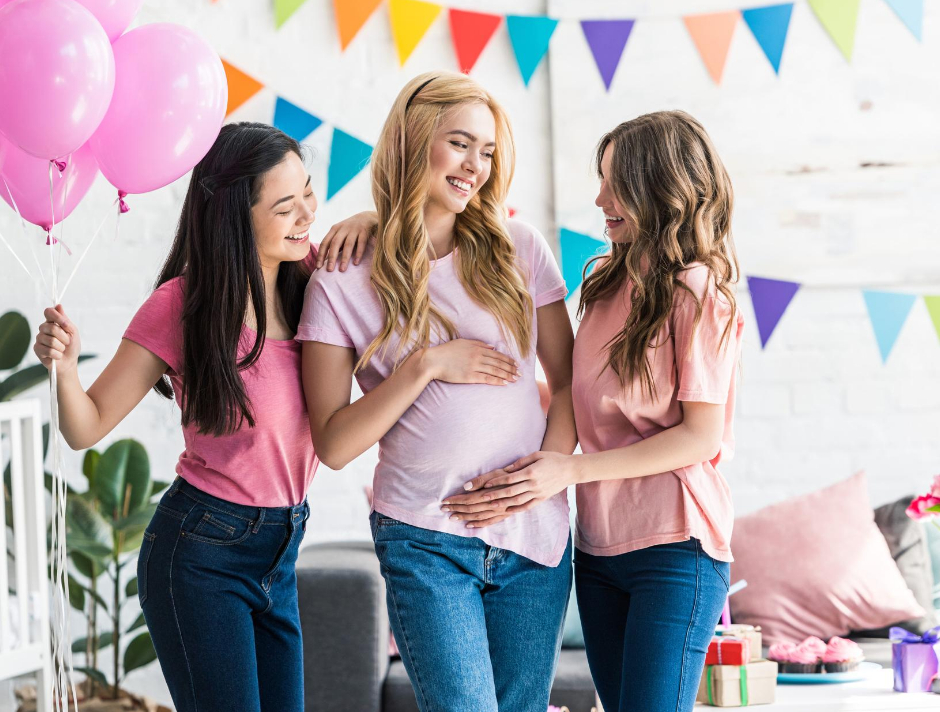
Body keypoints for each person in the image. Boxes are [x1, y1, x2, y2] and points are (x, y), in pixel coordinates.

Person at [32, 122, 376, 712]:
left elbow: (411, 240)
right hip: (201, 553)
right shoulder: (181, 307)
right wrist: (63, 368)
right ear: (236, 216)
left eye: (309, 195)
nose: (307, 216)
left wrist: (369, 220)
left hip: (282, 546)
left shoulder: (317, 277)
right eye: (286, 206)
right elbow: (85, 426)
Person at [444, 110, 744, 712]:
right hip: (600, 548)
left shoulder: (699, 293)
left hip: (676, 547)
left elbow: (699, 438)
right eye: (601, 179)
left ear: (664, 189)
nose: (601, 197)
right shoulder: (606, 282)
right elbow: (570, 400)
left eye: (617, 183)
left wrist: (569, 471)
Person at [298, 72, 577, 712]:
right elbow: (335, 445)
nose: (476, 166)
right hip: (425, 537)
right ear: (414, 139)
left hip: (532, 535)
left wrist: (546, 476)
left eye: (487, 151)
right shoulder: (341, 277)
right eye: (460, 143)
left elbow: (567, 387)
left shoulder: (520, 249)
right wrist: (422, 367)